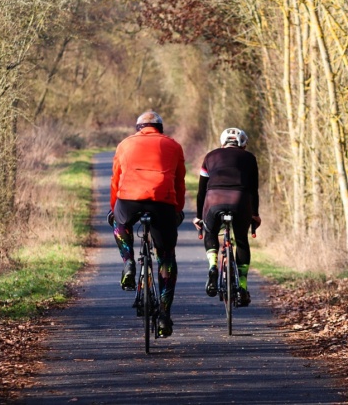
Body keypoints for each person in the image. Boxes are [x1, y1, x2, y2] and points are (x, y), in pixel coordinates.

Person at [107, 111, 186, 337]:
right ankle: (164, 315)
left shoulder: (125, 144)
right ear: (160, 128)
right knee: (166, 257)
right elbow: (179, 182)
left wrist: (115, 209)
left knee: (120, 224)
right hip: (162, 203)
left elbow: (115, 179)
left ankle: (129, 262)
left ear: (138, 128)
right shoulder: (174, 145)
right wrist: (177, 209)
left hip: (129, 199)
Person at [193, 127, 261, 306]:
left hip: (214, 199)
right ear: (243, 144)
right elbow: (254, 190)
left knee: (211, 232)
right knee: (241, 241)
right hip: (240, 200)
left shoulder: (210, 156)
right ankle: (243, 287)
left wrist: (199, 216)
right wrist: (255, 214)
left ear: (223, 142)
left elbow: (201, 192)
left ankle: (213, 266)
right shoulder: (250, 158)